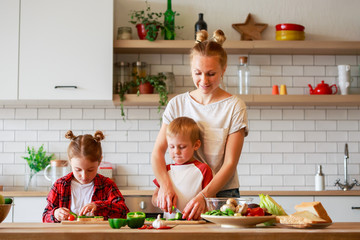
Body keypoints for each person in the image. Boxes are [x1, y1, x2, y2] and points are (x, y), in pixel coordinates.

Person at [151, 29, 248, 220]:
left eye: (211, 74)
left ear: (224, 69)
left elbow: (229, 163)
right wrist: (165, 185)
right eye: (197, 73)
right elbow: (157, 153)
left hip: (222, 196)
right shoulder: (177, 104)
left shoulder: (234, 106)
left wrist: (205, 195)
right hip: (182, 191)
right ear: (190, 69)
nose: (203, 81)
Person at [42, 130, 129, 223]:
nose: (84, 176)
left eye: (90, 170)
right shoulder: (60, 185)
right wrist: (55, 213)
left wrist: (99, 206)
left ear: (99, 161)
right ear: (70, 161)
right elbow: (45, 216)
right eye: (78, 170)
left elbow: (123, 213)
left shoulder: (107, 185)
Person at [151, 117, 213, 219]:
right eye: (171, 147)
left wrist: (202, 210)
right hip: (169, 226)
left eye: (182, 147)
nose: (176, 152)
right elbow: (154, 197)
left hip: (196, 226)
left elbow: (211, 202)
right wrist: (159, 201)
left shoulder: (203, 169)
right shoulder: (165, 170)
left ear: (196, 145)